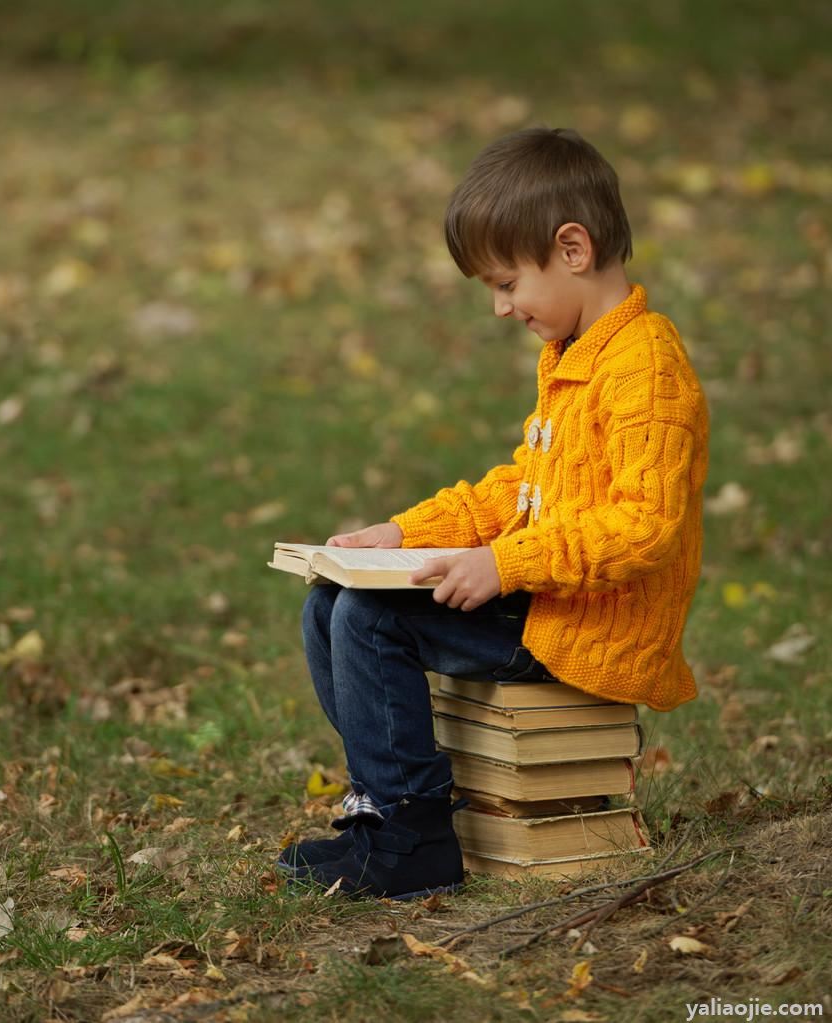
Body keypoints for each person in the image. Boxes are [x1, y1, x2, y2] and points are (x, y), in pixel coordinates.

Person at [277, 127, 709, 900]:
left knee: (371, 620)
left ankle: (413, 837)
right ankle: (382, 809)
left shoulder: (645, 367)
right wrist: (406, 532)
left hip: (588, 622)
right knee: (329, 603)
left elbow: (646, 525)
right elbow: (521, 488)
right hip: (550, 596)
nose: (500, 308)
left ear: (571, 249)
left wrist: (503, 564)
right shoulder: (577, 353)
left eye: (507, 283)